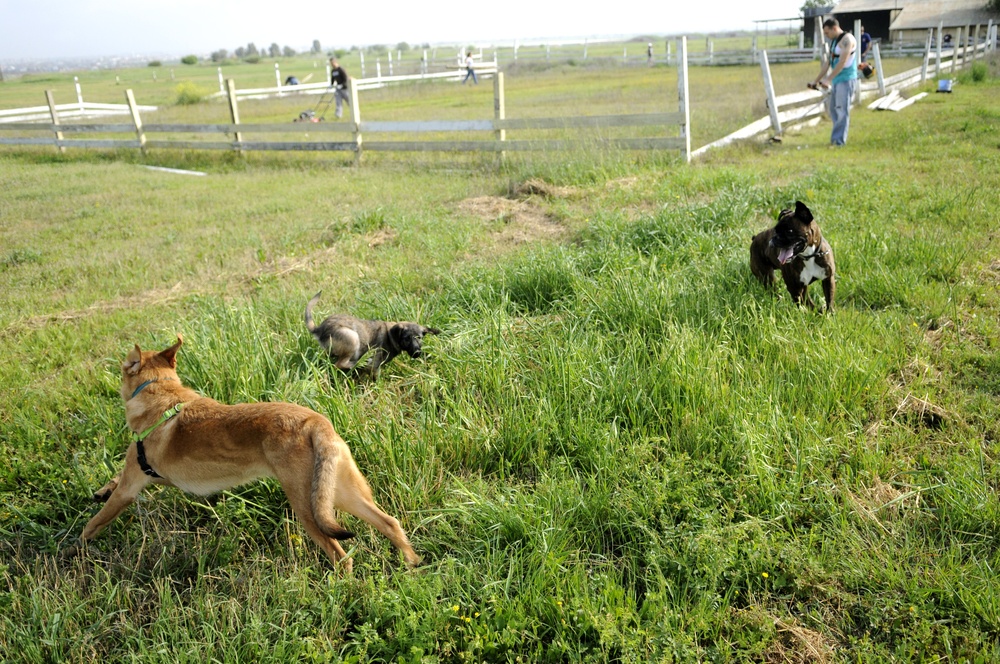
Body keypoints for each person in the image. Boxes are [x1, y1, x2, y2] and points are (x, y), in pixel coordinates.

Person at [810, 18, 859, 146]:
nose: (826, 36)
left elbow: (842, 62)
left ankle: (838, 142)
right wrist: (816, 81)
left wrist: (828, 79)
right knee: (833, 110)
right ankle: (836, 138)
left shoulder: (848, 40)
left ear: (835, 28)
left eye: (827, 33)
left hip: (846, 79)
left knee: (842, 110)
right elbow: (828, 63)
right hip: (837, 80)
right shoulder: (834, 42)